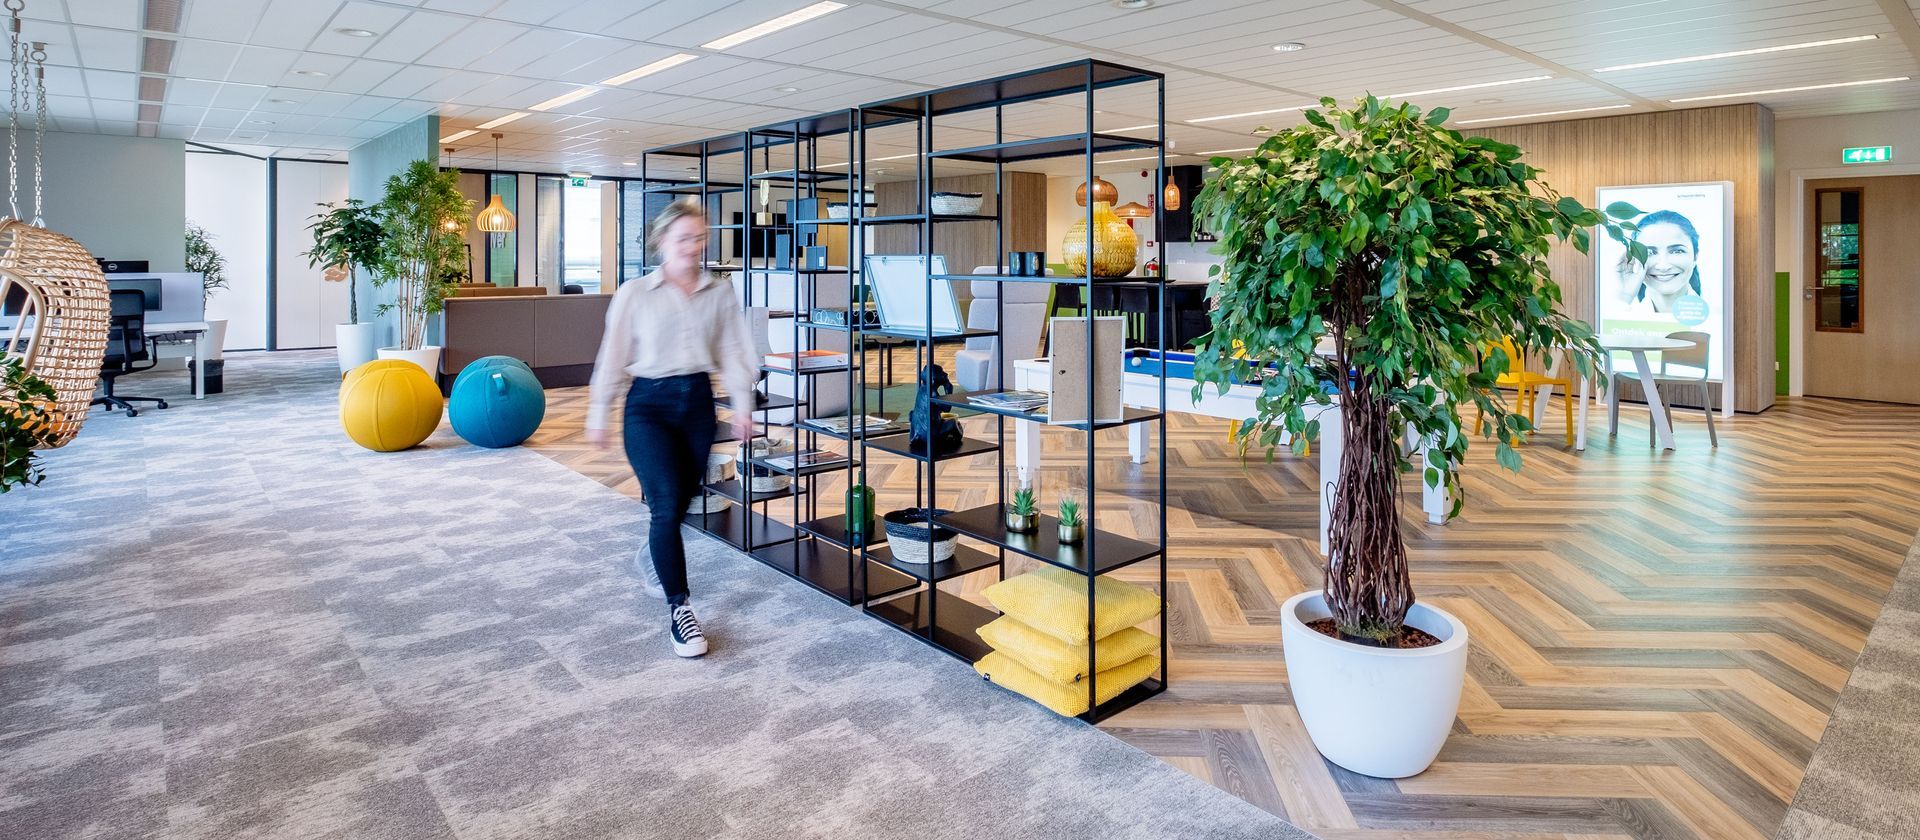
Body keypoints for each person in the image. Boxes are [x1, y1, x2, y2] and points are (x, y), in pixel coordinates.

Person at [586, 199, 757, 658]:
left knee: (682, 502)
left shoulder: (719, 292)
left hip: (697, 405)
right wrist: (598, 412)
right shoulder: (635, 293)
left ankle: (652, 554)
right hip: (648, 408)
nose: (694, 247)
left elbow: (735, 350)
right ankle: (680, 610)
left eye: (700, 238)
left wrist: (743, 404)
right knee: (664, 508)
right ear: (662, 241)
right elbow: (614, 353)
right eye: (684, 239)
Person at [1613, 209, 1703, 315]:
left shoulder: (1719, 319)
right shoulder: (1623, 314)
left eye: (1677, 251)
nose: (1663, 266)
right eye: (1650, 252)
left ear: (1695, 257)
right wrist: (1624, 296)